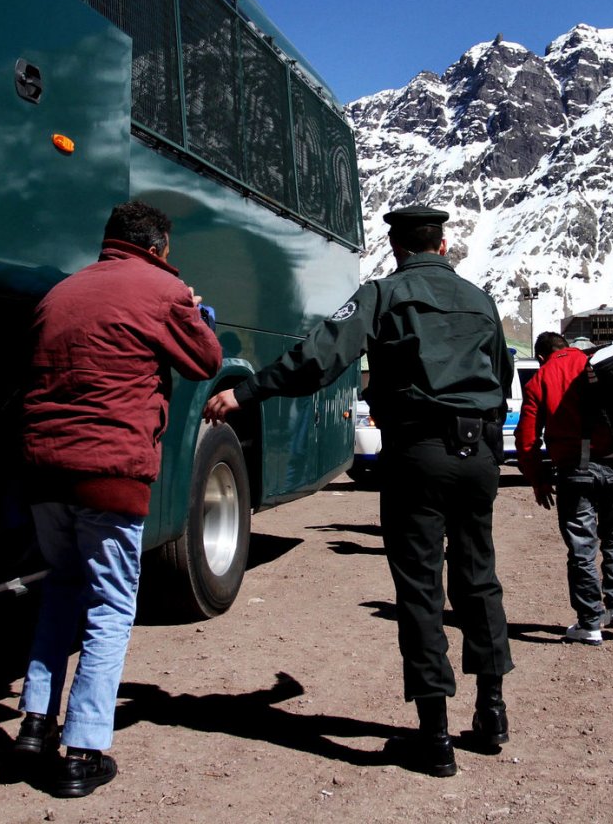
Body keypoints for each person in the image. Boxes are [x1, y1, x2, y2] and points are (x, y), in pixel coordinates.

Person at [204, 205, 514, 777]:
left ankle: (436, 738)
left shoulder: (383, 295)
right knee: (478, 578)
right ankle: (492, 712)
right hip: (478, 457)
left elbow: (318, 358)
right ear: (443, 247)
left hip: (417, 455)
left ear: (399, 250)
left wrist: (249, 392)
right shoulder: (481, 300)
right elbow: (502, 376)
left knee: (420, 589)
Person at [13, 200, 222, 798]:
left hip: (44, 471)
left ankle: (33, 724)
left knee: (60, 590)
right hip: (109, 473)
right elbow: (205, 360)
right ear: (157, 248)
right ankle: (81, 752)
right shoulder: (162, 288)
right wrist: (197, 310)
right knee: (109, 609)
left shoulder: (62, 292)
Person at [514, 332, 613, 646]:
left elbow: (527, 438)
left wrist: (538, 478)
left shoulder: (540, 379)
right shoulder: (595, 364)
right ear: (567, 347)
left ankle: (590, 623)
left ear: (541, 356)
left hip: (575, 471)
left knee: (582, 547)